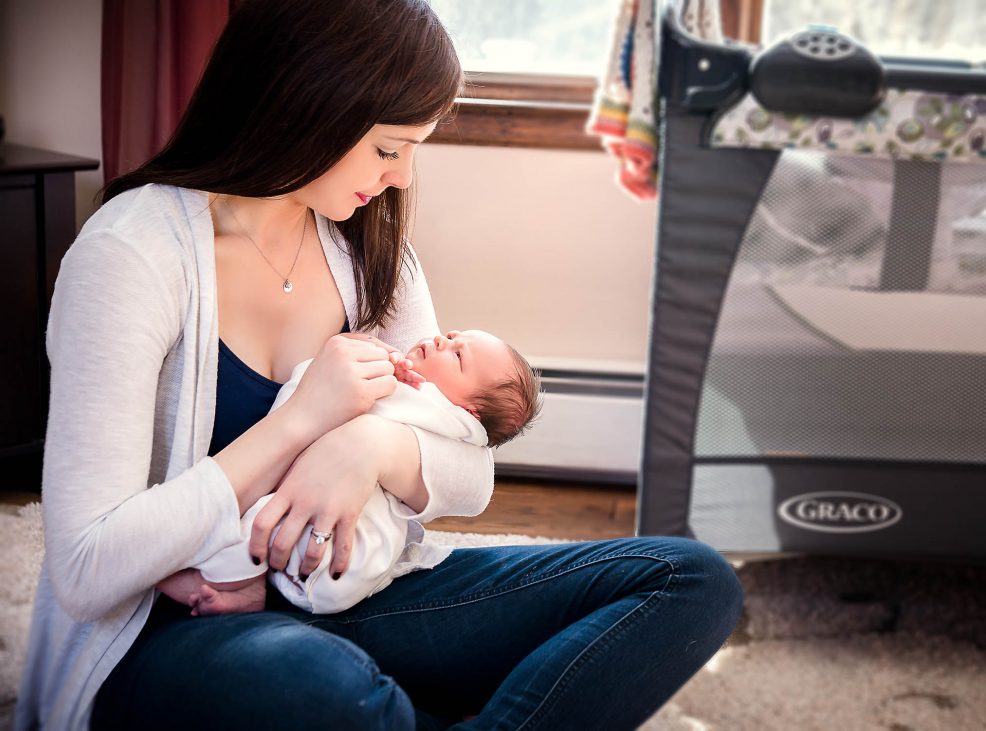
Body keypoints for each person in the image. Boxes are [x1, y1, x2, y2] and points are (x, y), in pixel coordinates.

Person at [15, 1, 744, 729]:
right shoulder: (133, 255)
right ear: (309, 103)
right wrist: (300, 422)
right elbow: (86, 569)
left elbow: (472, 471)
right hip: (177, 623)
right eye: (389, 148)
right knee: (332, 693)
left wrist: (366, 446)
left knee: (691, 580)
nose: (400, 180)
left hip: (354, 590)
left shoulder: (366, 253)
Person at [158, 328, 541, 616]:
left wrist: (371, 440)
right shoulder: (433, 403)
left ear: (470, 413)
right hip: (356, 568)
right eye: (453, 335)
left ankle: (222, 578)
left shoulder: (431, 404)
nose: (442, 340)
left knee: (261, 519)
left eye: (458, 356)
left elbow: (476, 481)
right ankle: (245, 586)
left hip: (345, 545)